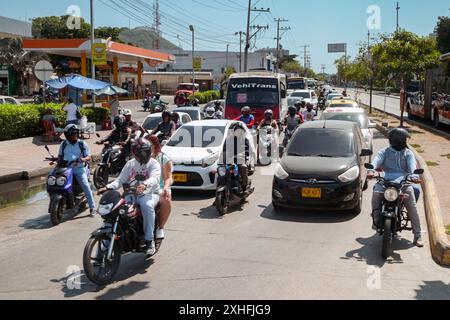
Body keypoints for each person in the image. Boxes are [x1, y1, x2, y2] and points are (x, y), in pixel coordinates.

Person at [99, 138, 161, 256]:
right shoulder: (130, 164)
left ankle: (149, 241)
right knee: (116, 208)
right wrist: (108, 187)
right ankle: (113, 236)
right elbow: (120, 180)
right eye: (138, 153)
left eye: (143, 152)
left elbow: (155, 178)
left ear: (147, 152)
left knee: (146, 206)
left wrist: (144, 184)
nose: (140, 156)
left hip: (150, 194)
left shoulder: (154, 164)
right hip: (131, 194)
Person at [368, 128, 424, 248]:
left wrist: (414, 177)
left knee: (412, 208)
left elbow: (412, 167)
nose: (403, 142)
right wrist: (371, 170)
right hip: (386, 182)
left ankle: (418, 235)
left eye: (404, 140)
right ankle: (376, 219)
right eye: (402, 139)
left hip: (404, 183)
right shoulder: (384, 152)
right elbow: (375, 161)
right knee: (376, 193)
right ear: (394, 140)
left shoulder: (408, 153)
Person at [59, 124, 96, 216]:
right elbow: (60, 156)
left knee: (85, 185)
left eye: (76, 133)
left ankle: (92, 207)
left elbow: (88, 156)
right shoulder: (63, 144)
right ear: (68, 135)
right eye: (73, 134)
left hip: (78, 169)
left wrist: (83, 159)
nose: (75, 135)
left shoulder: (82, 144)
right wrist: (57, 161)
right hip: (66, 169)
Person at [148, 135, 173, 240]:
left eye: (149, 145)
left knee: (166, 200)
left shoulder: (163, 158)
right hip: (144, 188)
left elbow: (169, 178)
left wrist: (166, 188)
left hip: (160, 188)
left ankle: (161, 227)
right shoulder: (140, 157)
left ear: (155, 145)